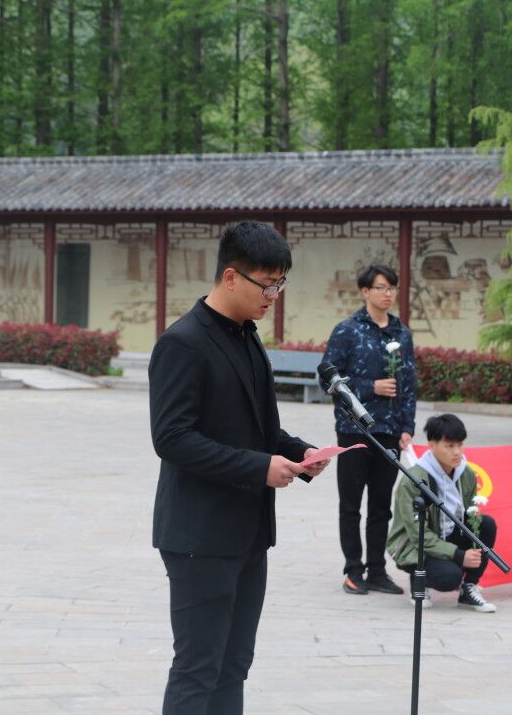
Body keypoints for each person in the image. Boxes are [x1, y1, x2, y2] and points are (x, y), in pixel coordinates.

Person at [149, 221, 331, 714]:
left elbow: (259, 427)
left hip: (249, 533)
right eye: (266, 285)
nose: (274, 296)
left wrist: (301, 454)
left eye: (280, 284)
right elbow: (172, 439)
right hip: (200, 536)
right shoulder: (183, 342)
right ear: (230, 277)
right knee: (198, 668)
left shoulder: (248, 338)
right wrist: (258, 468)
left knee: (234, 666)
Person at [321, 264, 416, 596]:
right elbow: (328, 379)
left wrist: (407, 426)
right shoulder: (347, 331)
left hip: (389, 431)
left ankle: (377, 569)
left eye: (391, 287)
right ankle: (353, 569)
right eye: (381, 287)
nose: (388, 294)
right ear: (365, 291)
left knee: (381, 505)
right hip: (354, 430)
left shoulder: (401, 334)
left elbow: (409, 384)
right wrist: (369, 386)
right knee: (351, 504)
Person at [386, 414, 498, 612]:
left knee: (485, 524)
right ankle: (418, 579)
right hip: (414, 545)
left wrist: (470, 548)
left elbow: (470, 516)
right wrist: (459, 555)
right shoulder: (414, 481)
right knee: (450, 577)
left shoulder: (466, 473)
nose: (457, 452)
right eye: (449, 446)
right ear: (432, 444)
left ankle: (469, 589)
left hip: (447, 534)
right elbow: (417, 534)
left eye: (460, 445)